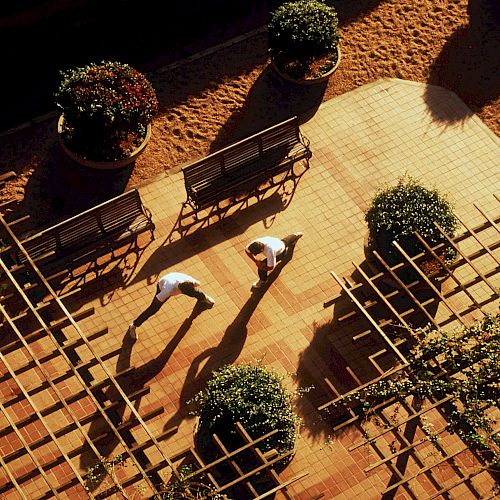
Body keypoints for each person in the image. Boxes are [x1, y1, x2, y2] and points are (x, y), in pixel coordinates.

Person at [128, 272, 215, 340]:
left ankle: (204, 298)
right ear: (180, 291)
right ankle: (134, 325)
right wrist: (158, 303)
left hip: (175, 278)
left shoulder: (192, 282)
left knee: (197, 293)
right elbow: (156, 301)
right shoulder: (168, 290)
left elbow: (195, 291)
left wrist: (198, 294)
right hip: (163, 284)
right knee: (153, 309)